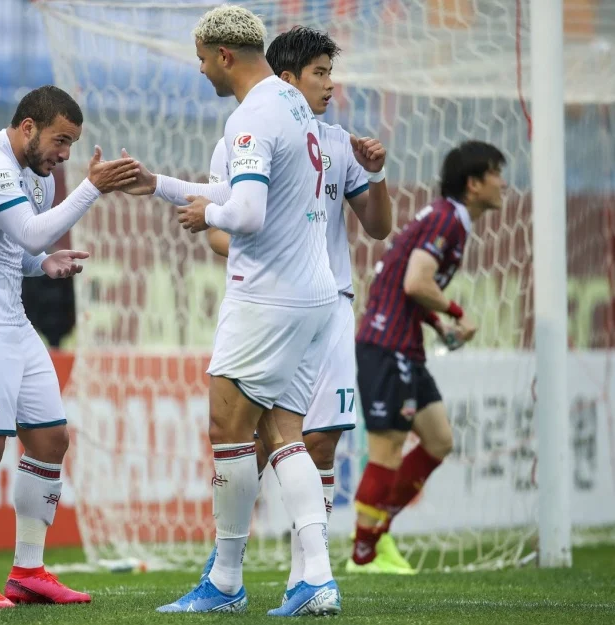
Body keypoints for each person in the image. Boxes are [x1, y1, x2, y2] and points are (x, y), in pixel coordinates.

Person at [119, 5, 340, 615]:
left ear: (222, 56)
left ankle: (224, 580)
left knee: (228, 429)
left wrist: (203, 216)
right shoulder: (293, 104)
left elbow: (245, 213)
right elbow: (246, 190)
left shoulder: (251, 115)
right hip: (316, 294)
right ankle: (316, 578)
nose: (200, 71)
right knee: (282, 431)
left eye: (200, 59)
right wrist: (159, 184)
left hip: (268, 296)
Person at [199, 25, 394, 603]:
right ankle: (233, 563)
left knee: (321, 440)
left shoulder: (336, 145)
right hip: (276, 300)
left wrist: (377, 173)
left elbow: (379, 227)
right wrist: (270, 255)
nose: (330, 85)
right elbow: (218, 230)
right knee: (259, 436)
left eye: (331, 72)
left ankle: (300, 574)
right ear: (286, 78)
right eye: (319, 73)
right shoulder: (246, 133)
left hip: (329, 306)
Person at [0, 85, 139, 608]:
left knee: (51, 439)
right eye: (59, 140)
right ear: (28, 128)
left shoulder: (37, 176)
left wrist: (41, 265)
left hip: (10, 318)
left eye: (70, 144)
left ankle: (27, 571)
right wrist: (90, 188)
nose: (64, 153)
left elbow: (15, 247)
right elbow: (27, 230)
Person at [347, 141, 506, 574]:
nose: (503, 182)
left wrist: (439, 327)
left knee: (439, 440)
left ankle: (377, 534)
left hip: (406, 344)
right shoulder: (445, 220)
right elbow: (416, 282)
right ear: (473, 184)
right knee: (387, 450)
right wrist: (456, 312)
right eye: (496, 173)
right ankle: (364, 555)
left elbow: (409, 284)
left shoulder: (451, 220)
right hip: (385, 344)